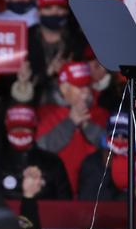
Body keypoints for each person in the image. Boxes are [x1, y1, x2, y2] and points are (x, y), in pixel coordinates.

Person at [36, 61, 108, 195]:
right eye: (80, 86)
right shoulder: (47, 114)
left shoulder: (100, 114)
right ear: (64, 88)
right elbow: (41, 150)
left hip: (93, 193)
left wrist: (87, 125)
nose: (86, 91)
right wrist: (70, 122)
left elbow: (111, 149)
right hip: (59, 191)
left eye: (87, 85)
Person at [0, 104, 72, 200]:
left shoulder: (52, 162)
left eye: (26, 128)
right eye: (15, 128)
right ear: (7, 129)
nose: (20, 132)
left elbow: (66, 204)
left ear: (34, 129)